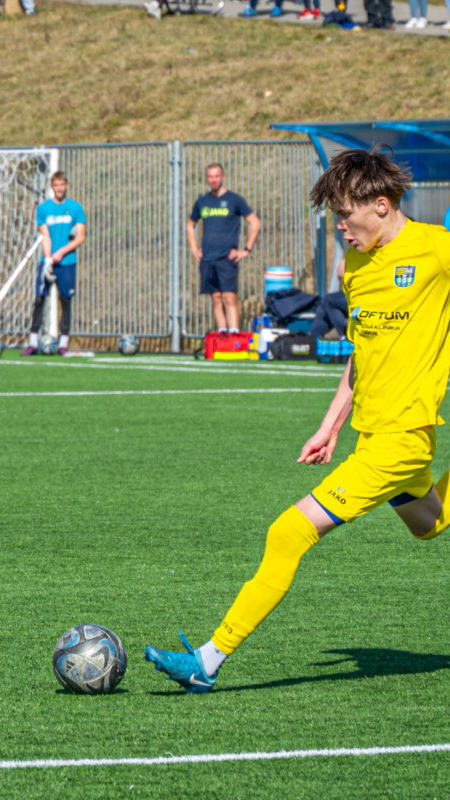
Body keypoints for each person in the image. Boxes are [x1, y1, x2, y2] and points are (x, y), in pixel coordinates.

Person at [145, 145, 450, 694]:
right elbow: (362, 355)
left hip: (403, 439)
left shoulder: (437, 251)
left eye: (344, 216)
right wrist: (331, 424)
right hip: (372, 436)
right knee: (428, 523)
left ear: (380, 205)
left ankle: (209, 660)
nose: (341, 229)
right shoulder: (357, 266)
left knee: (287, 532)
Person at [187, 163, 260, 333]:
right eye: (210, 177)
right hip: (208, 259)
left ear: (223, 177)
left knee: (229, 297)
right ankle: (222, 335)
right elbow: (190, 225)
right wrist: (194, 248)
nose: (214, 180)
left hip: (227, 259)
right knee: (216, 299)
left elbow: (255, 223)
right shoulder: (202, 202)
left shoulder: (234, 200)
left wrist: (246, 249)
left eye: (217, 176)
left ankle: (233, 334)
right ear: (207, 178)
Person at [21, 171, 86, 357]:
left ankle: (63, 344)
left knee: (65, 301)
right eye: (56, 185)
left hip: (67, 263)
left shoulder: (75, 208)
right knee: (39, 299)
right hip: (48, 262)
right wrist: (48, 258)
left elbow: (80, 237)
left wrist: (61, 253)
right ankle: (33, 343)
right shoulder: (43, 209)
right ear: (52, 187)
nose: (59, 188)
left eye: (62, 184)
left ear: (67, 185)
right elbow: (45, 236)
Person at [309, 259, 348, 340]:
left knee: (327, 300)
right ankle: (313, 340)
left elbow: (341, 271)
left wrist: (347, 264)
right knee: (323, 307)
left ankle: (344, 335)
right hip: (349, 292)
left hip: (363, 294)